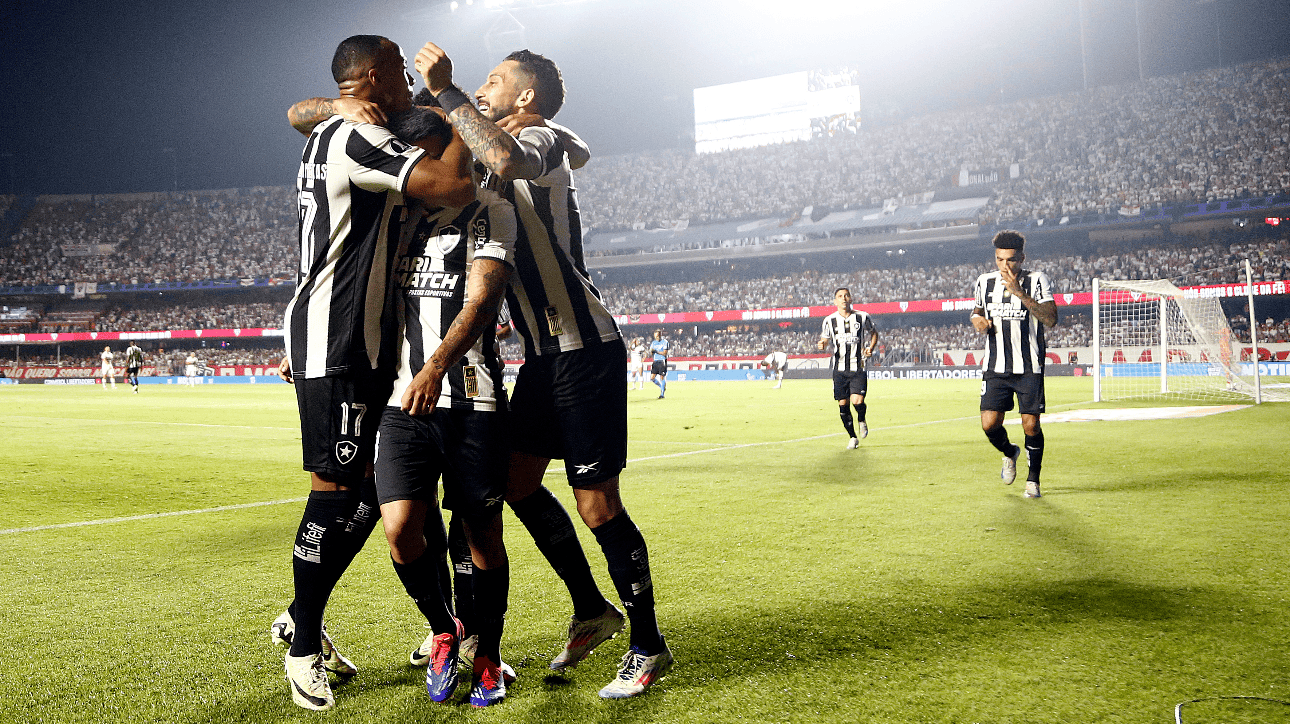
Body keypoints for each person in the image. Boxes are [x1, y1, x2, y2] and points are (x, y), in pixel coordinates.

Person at [417, 43, 673, 698]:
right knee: (512, 483)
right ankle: (592, 609)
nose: (482, 85)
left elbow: (518, 156)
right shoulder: (511, 140)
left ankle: (648, 645)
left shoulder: (538, 139)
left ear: (526, 96)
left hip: (584, 350)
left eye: (494, 79)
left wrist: (446, 92)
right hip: (541, 357)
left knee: (598, 505)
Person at [274, 34, 475, 712]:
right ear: (372, 76)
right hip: (340, 340)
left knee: (362, 492)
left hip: (349, 339)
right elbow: (454, 185)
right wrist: (459, 114)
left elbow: (302, 112)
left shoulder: (338, 127)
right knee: (337, 495)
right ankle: (302, 644)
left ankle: (303, 617)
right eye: (397, 72)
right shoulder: (356, 136)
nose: (406, 83)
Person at [373, 105, 516, 707]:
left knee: (481, 536)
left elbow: (482, 302)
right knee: (400, 529)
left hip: (471, 400)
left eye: (432, 154)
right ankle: (443, 629)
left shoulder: (491, 210)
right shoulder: (399, 214)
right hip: (403, 401)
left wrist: (435, 367)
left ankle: (487, 654)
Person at [970, 230, 1058, 499]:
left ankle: (1033, 480)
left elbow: (1050, 319)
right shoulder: (984, 282)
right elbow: (977, 311)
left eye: (1010, 260)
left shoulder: (1037, 280)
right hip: (995, 366)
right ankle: (1010, 452)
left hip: (1029, 366)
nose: (1004, 265)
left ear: (1022, 258)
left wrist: (1019, 292)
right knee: (989, 424)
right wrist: (978, 321)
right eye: (999, 259)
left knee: (1031, 426)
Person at [818, 288, 877, 449]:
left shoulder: (862, 317)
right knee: (843, 405)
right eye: (840, 296)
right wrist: (823, 344)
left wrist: (870, 348)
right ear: (835, 301)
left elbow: (873, 333)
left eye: (846, 295)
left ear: (851, 299)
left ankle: (861, 419)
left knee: (857, 401)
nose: (843, 298)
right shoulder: (829, 320)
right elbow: (825, 339)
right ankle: (852, 437)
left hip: (858, 367)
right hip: (839, 369)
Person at [648, 329, 670, 399]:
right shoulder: (653, 343)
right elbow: (651, 352)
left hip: (662, 361)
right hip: (655, 361)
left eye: (657, 336)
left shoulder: (665, 342)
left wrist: (656, 351)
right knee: (652, 378)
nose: (656, 337)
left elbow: (665, 353)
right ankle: (661, 387)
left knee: (662, 377)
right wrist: (651, 352)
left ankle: (662, 394)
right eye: (655, 336)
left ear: (660, 335)